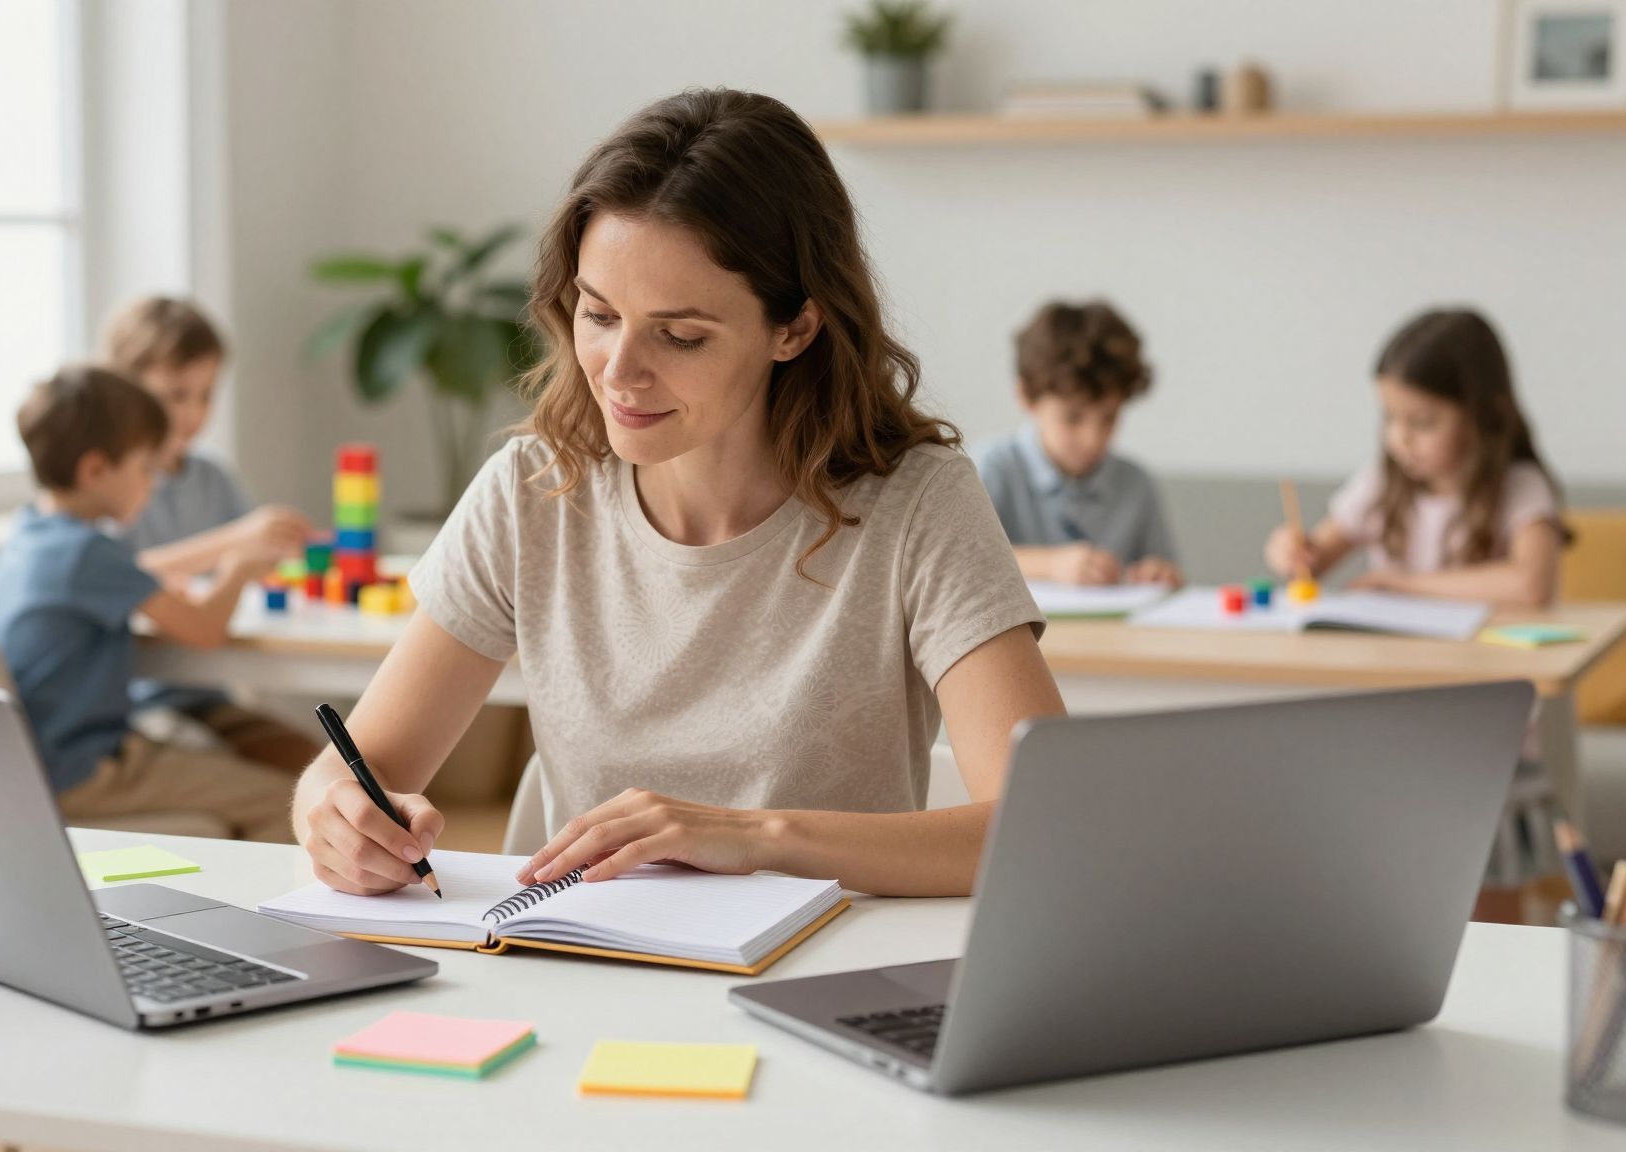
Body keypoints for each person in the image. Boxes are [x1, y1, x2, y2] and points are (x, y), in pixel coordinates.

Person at [289, 88, 1066, 899]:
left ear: (795, 329)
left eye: (680, 335)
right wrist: (337, 819)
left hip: (826, 965)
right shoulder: (532, 493)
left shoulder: (918, 505)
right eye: (599, 314)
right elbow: (351, 770)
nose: (619, 371)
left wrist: (757, 838)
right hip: (586, 958)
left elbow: (1047, 827)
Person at [0, 365, 293, 841]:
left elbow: (132, 583)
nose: (152, 484)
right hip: (87, 770)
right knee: (285, 802)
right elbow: (205, 630)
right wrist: (237, 570)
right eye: (145, 468)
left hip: (42, 764)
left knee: (240, 770)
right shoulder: (87, 552)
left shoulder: (28, 535)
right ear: (95, 470)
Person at [104, 296, 320, 772]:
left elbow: (258, 560)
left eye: (206, 396)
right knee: (245, 779)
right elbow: (109, 571)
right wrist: (233, 541)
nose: (194, 413)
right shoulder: (109, 484)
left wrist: (276, 548)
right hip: (140, 708)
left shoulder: (211, 475)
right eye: (176, 395)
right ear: (126, 390)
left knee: (323, 771)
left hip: (208, 698)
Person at [1266, 308, 1568, 606]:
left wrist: (1399, 584)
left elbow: (1531, 586)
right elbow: (1313, 562)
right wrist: (1293, 553)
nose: (1400, 438)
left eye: (1421, 422)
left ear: (1481, 417)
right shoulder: (1381, 483)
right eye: (1389, 417)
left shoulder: (1520, 487)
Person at [973, 300, 1180, 587]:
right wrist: (1050, 565)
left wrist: (1158, 574)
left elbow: (1168, 574)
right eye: (1072, 418)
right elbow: (964, 560)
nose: (1092, 439)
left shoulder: (1136, 484)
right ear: (1026, 397)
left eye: (1108, 417)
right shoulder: (990, 468)